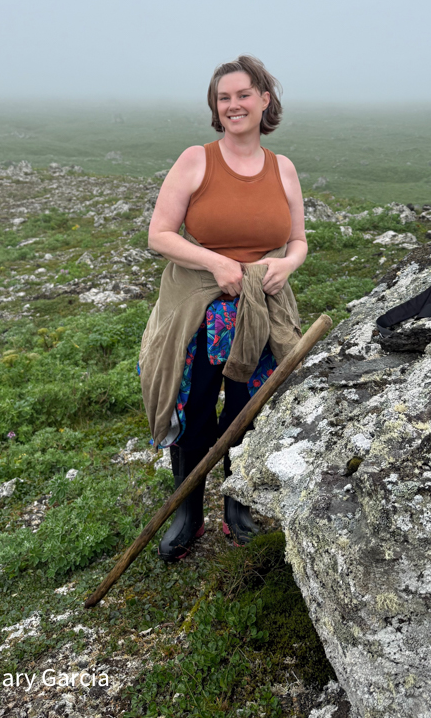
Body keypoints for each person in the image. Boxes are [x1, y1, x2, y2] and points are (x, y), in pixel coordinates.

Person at [142, 55, 307, 561]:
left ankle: (237, 507)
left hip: (262, 311)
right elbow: (159, 235)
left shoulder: (283, 169)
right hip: (200, 309)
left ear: (265, 100)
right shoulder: (197, 160)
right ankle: (187, 510)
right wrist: (215, 263)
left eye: (243, 95)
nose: (233, 105)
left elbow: (298, 241)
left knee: (247, 410)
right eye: (223, 98)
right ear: (216, 108)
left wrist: (287, 266)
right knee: (193, 409)